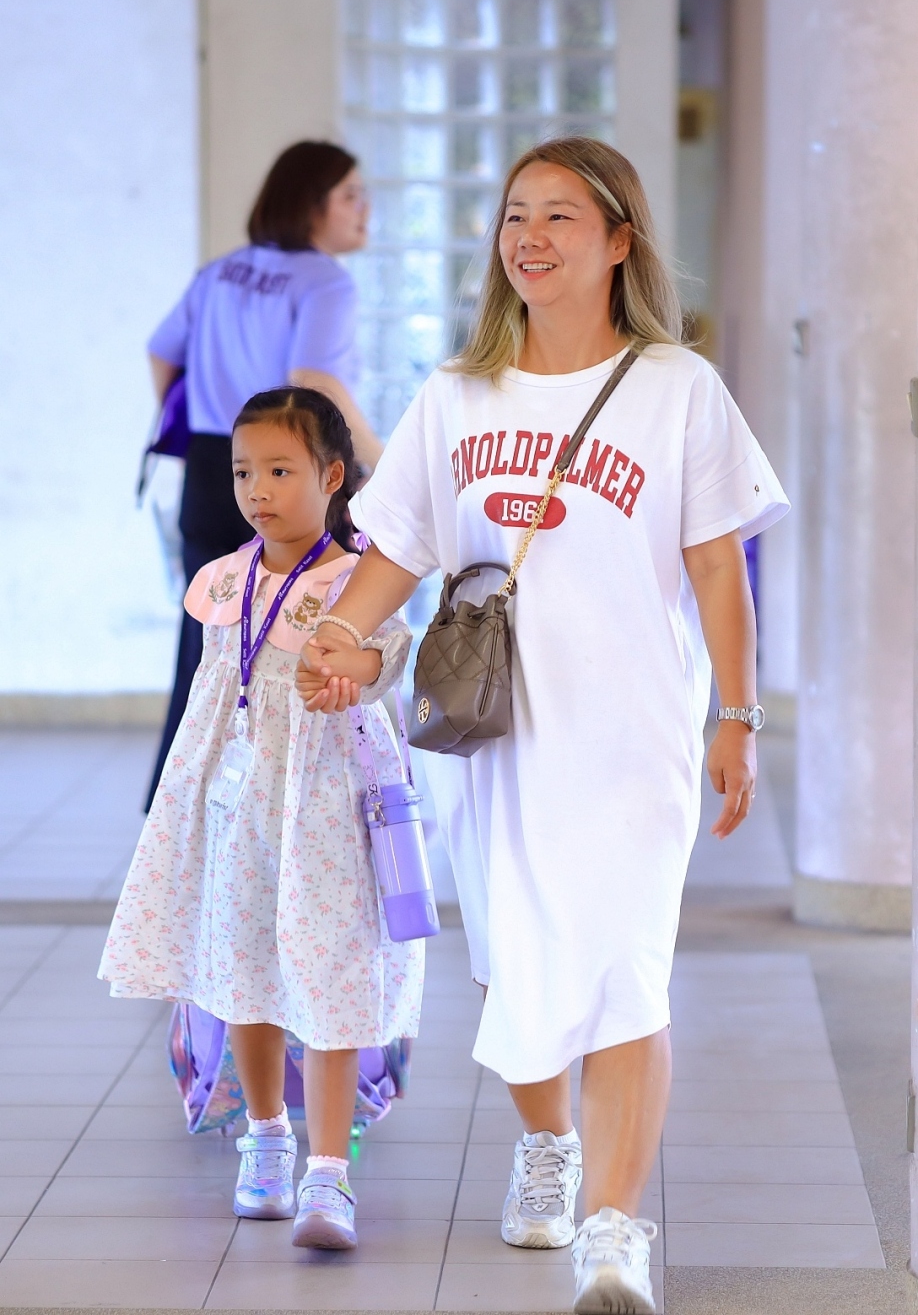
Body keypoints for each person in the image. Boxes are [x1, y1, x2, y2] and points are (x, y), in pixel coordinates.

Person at [295, 137, 789, 1313]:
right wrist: (344, 637)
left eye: (561, 215)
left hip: (632, 740)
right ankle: (549, 1142)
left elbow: (716, 570)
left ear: (619, 240)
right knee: (516, 966)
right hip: (492, 741)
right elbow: (399, 548)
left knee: (625, 971)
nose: (531, 235)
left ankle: (613, 1234)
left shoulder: (677, 388)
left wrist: (736, 715)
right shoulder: (457, 394)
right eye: (517, 213)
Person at [100, 387, 421, 1251]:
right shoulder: (223, 580)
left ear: (332, 476)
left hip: (327, 808)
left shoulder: (356, 579)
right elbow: (213, 694)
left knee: (333, 971)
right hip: (236, 806)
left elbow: (385, 657)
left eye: (280, 470)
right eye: (244, 472)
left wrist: (352, 670)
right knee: (242, 963)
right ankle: (267, 1138)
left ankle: (330, 1173)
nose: (257, 490)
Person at [144, 140, 383, 809]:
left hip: (214, 466)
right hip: (291, 474)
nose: (365, 209)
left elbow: (161, 355)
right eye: (350, 195)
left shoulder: (220, 271)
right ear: (311, 203)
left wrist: (215, 438)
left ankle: (181, 800)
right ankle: (280, 800)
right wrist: (378, 463)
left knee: (206, 643)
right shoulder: (325, 282)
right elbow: (314, 379)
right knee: (303, 635)